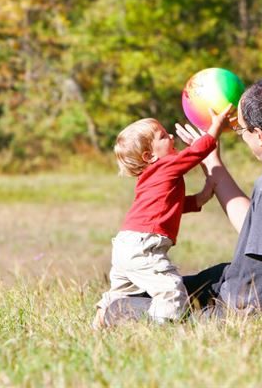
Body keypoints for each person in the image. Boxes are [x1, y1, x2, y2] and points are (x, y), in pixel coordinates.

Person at [103, 76, 262, 326]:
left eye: (241, 129)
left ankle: (126, 316)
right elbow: (259, 228)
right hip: (242, 283)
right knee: (158, 287)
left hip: (246, 308)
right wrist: (211, 162)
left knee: (122, 307)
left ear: (259, 135)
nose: (240, 134)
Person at [93, 106, 233, 328]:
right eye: (162, 136)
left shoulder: (151, 176)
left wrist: (199, 198)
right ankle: (161, 328)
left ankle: (101, 320)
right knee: (171, 289)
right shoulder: (164, 165)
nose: (170, 136)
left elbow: (167, 204)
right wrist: (215, 127)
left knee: (122, 292)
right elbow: (196, 153)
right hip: (143, 245)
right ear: (150, 156)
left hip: (126, 244)